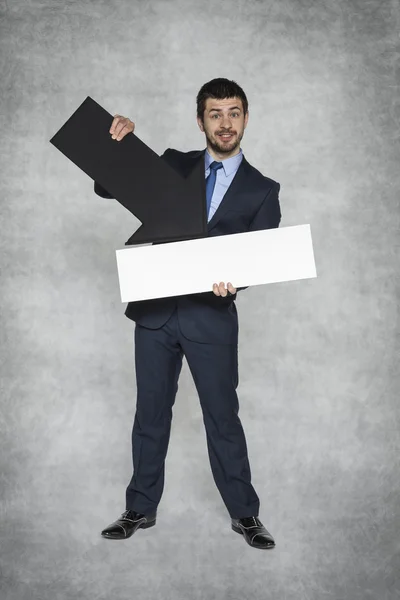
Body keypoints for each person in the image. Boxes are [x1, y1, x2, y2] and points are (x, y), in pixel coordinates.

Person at [95, 78, 281, 550]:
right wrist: (118, 141)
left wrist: (237, 280)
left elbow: (261, 256)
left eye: (234, 112)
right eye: (215, 113)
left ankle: (245, 515)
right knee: (150, 414)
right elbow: (107, 186)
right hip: (155, 312)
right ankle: (139, 507)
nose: (225, 122)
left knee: (223, 417)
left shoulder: (263, 190)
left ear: (245, 118)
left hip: (211, 318)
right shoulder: (175, 163)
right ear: (200, 120)